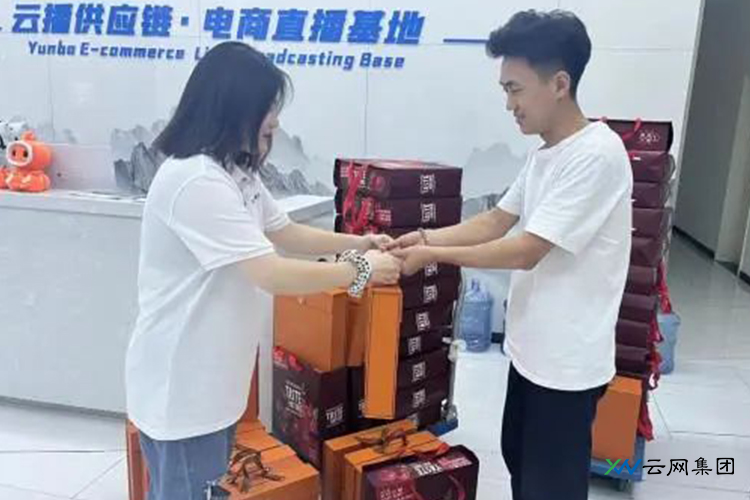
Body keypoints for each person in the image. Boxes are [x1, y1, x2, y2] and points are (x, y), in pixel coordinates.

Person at [125, 42, 402, 500]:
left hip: (212, 382)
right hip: (183, 387)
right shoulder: (196, 181)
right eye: (267, 110)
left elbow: (286, 232)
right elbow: (270, 273)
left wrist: (359, 243)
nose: (274, 121)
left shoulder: (235, 171)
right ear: (234, 108)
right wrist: (361, 270)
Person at [389, 10, 633, 500]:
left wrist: (432, 256)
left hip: (566, 366)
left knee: (550, 487)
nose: (509, 104)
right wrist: (423, 236)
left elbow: (526, 250)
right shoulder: (545, 154)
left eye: (515, 89)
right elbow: (495, 220)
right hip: (530, 352)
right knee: (520, 463)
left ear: (559, 83)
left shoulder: (596, 155)